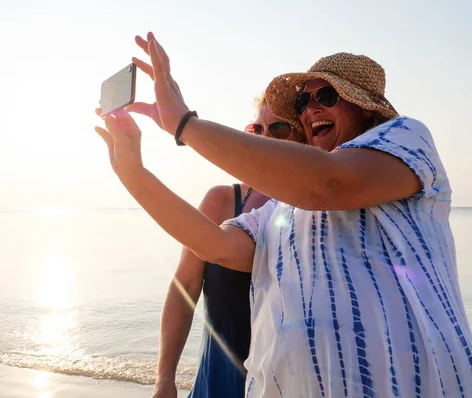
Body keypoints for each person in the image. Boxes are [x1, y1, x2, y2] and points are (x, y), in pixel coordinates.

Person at [95, 33, 472, 397]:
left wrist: (184, 125)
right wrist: (133, 173)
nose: (310, 109)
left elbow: (327, 184)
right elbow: (217, 246)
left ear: (365, 106)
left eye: (325, 96)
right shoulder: (279, 208)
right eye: (303, 103)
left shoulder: (404, 138)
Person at [153, 97, 305, 398]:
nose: (265, 138)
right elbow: (184, 286)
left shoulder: (313, 209)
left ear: (300, 136)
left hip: (289, 383)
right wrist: (164, 378)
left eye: (279, 129)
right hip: (220, 379)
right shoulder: (222, 202)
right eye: (256, 129)